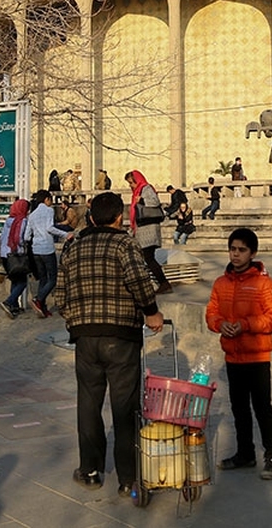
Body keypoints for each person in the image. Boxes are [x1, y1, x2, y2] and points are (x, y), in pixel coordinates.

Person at [53, 191, 164, 496]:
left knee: (89, 403)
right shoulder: (125, 244)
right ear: (118, 217)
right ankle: (128, 478)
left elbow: (60, 295)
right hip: (121, 335)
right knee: (124, 405)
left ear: (91, 217)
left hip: (85, 337)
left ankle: (90, 470)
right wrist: (151, 312)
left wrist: (77, 319)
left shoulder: (74, 247)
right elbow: (139, 282)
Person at [205, 228, 272, 481]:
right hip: (232, 357)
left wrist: (246, 324)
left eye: (242, 250)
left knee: (262, 408)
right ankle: (245, 453)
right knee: (239, 408)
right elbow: (211, 313)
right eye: (232, 249)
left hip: (257, 357)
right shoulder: (220, 283)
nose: (236, 254)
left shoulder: (263, 283)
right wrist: (220, 324)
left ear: (253, 253)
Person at [25, 189, 73, 318]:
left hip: (36, 250)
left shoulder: (32, 215)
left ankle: (42, 307)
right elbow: (50, 228)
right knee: (53, 278)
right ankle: (38, 299)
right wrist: (65, 234)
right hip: (47, 248)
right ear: (46, 199)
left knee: (43, 279)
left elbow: (26, 236)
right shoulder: (49, 211)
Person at [126, 170, 172, 294]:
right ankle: (157, 283)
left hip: (149, 230)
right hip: (142, 230)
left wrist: (141, 200)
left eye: (131, 183)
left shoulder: (146, 188)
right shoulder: (137, 191)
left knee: (148, 258)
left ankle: (163, 283)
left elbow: (155, 201)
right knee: (146, 258)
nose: (130, 185)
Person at [0, 198, 32, 318]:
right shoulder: (22, 220)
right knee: (22, 282)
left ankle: (14, 307)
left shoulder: (9, 220)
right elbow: (19, 238)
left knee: (14, 279)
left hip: (4, 255)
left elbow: (2, 238)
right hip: (15, 254)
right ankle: (9, 302)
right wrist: (24, 246)